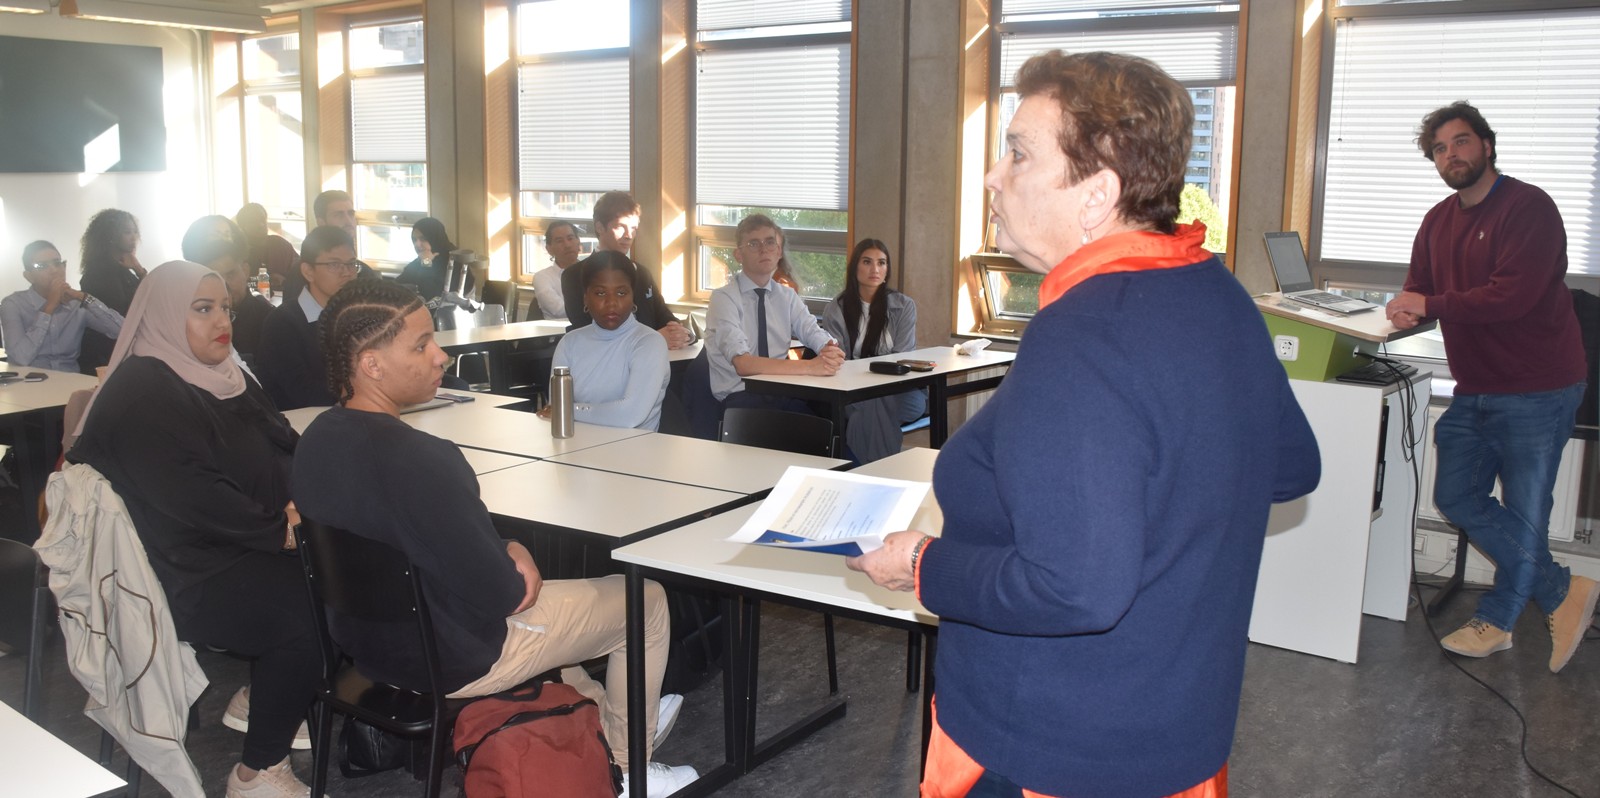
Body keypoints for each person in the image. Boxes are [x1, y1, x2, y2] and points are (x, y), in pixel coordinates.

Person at [847, 51, 1320, 798]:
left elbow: (1076, 589)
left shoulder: (1083, 336)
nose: (993, 176)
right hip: (1176, 722)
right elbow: (1291, 462)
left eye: (1018, 154)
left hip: (1053, 744)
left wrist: (921, 566)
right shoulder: (1215, 292)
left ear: (1097, 194)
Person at [291, 279, 697, 797]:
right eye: (420, 346)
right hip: (456, 655)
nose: (441, 357)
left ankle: (603, 714)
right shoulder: (422, 460)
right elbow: (506, 595)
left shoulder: (316, 441)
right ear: (371, 364)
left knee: (574, 607)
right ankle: (622, 768)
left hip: (368, 648)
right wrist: (515, 551)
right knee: (645, 601)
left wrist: (504, 551)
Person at [68, 261, 318, 798]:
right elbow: (190, 494)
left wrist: (312, 495)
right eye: (202, 309)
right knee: (314, 610)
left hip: (239, 544)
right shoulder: (144, 390)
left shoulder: (225, 371)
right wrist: (282, 530)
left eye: (225, 307)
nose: (221, 321)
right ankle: (257, 773)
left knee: (355, 570)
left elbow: (281, 439)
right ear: (160, 314)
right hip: (183, 571)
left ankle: (265, 697)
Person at [1386, 101, 1594, 671]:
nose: (1450, 155)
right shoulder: (1436, 220)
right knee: (1454, 495)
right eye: (1439, 149)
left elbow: (1512, 295)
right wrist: (1406, 312)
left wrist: (1428, 303)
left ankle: (1499, 620)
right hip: (1477, 384)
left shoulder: (1529, 208)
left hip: (1539, 386)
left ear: (1487, 145)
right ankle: (1561, 590)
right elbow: (1421, 288)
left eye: (1460, 142)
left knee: (1525, 511)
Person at [705, 213, 844, 412]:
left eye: (770, 243)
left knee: (827, 426)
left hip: (782, 393)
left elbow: (811, 330)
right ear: (738, 255)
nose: (763, 250)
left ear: (778, 252)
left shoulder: (787, 296)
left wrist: (829, 348)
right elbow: (743, 365)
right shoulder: (723, 298)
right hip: (741, 399)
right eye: (753, 244)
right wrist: (811, 367)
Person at [539, 252, 670, 430]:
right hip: (575, 450)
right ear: (585, 298)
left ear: (633, 296)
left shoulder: (649, 343)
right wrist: (565, 410)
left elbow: (630, 416)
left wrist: (569, 410)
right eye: (600, 293)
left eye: (621, 293)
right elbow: (557, 414)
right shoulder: (570, 343)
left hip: (634, 454)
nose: (611, 303)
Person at [821, 238, 924, 462]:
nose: (875, 269)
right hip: (851, 391)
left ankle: (858, 467)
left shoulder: (904, 306)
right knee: (870, 404)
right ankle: (882, 469)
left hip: (899, 391)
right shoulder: (836, 309)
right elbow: (839, 362)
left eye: (882, 263)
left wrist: (873, 383)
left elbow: (903, 359)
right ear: (855, 267)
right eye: (867, 262)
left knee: (877, 404)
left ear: (887, 270)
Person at [561, 191, 693, 349]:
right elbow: (586, 328)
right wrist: (653, 338)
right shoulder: (574, 275)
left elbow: (664, 316)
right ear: (599, 227)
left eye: (633, 228)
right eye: (620, 227)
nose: (629, 235)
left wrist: (683, 334)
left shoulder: (642, 272)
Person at [256, 226, 360, 410]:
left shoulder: (359, 316)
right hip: (302, 426)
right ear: (308, 271)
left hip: (354, 414)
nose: (347, 273)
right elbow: (305, 394)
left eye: (352, 264)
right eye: (334, 265)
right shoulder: (282, 323)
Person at [0, 240, 123, 372]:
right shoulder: (13, 304)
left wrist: (84, 297)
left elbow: (121, 330)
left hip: (69, 381)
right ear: (29, 276)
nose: (54, 270)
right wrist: (48, 309)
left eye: (57, 263)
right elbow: (20, 358)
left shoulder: (76, 304)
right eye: (41, 266)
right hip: (28, 381)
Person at [181, 216, 273, 365]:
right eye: (214, 276)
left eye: (230, 274)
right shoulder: (188, 319)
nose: (223, 285)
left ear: (245, 270)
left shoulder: (268, 319)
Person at [78, 208, 146, 373]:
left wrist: (138, 269)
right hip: (106, 352)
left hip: (128, 345)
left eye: (134, 232)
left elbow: (151, 296)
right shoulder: (98, 273)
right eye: (127, 232)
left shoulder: (125, 270)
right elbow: (117, 314)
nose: (133, 237)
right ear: (110, 236)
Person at [234, 203, 298, 291]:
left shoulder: (281, 245)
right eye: (254, 221)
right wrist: (263, 280)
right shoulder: (237, 252)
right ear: (243, 226)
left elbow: (300, 273)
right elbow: (234, 283)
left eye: (262, 219)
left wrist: (284, 280)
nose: (261, 224)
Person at [532, 220, 582, 320]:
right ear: (549, 249)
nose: (567, 245)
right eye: (559, 241)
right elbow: (559, 311)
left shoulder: (593, 271)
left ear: (578, 242)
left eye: (570, 238)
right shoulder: (542, 277)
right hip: (559, 334)